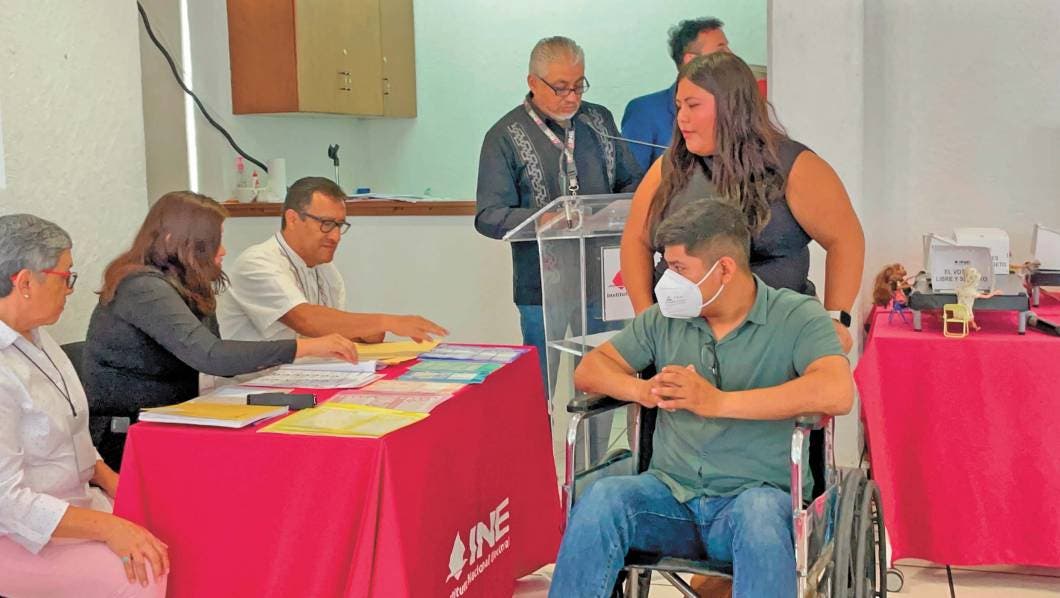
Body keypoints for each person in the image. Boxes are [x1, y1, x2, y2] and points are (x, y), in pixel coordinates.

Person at [549, 200, 854, 598]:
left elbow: (837, 391)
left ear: (724, 269)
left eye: (679, 269)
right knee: (603, 498)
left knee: (760, 513)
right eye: (667, 267)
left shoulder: (797, 316)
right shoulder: (664, 319)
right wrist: (644, 390)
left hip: (753, 500)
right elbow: (591, 370)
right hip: (668, 498)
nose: (668, 281)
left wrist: (718, 402)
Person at [81, 192, 359, 470]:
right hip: (126, 435)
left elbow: (218, 359)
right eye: (215, 241)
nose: (223, 250)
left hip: (170, 419)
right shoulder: (142, 287)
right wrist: (304, 347)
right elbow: (211, 356)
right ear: (177, 240)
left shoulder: (183, 285)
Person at [620, 51, 864, 354]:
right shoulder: (670, 167)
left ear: (730, 107)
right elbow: (635, 240)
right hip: (682, 337)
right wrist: (646, 320)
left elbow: (846, 239)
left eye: (693, 105)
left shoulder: (794, 167)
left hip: (776, 339)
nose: (682, 117)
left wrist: (836, 317)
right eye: (679, 106)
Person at [0, 214, 168, 597]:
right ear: (24, 283)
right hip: (19, 535)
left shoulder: (39, 340)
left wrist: (113, 482)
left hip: (74, 509)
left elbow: (72, 435)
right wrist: (110, 527)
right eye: (65, 277)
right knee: (144, 571)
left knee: (175, 532)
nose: (70, 289)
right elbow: (6, 502)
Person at [475, 35, 642, 387]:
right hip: (541, 284)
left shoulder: (598, 120)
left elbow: (632, 183)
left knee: (604, 380)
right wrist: (543, 220)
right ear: (533, 82)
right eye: (561, 87)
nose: (572, 97)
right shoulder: (504, 135)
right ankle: (540, 427)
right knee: (539, 386)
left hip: (602, 278)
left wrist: (611, 211)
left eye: (579, 86)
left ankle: (598, 429)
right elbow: (488, 215)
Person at [219, 176, 448, 344]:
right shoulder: (257, 263)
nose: (336, 236)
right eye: (327, 224)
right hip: (253, 386)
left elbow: (332, 333)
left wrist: (364, 333)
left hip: (310, 378)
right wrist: (386, 322)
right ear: (293, 219)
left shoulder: (326, 269)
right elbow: (306, 320)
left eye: (340, 225)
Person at [621, 18, 768, 171]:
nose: (731, 55)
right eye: (720, 51)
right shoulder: (645, 111)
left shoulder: (740, 105)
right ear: (691, 61)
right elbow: (631, 177)